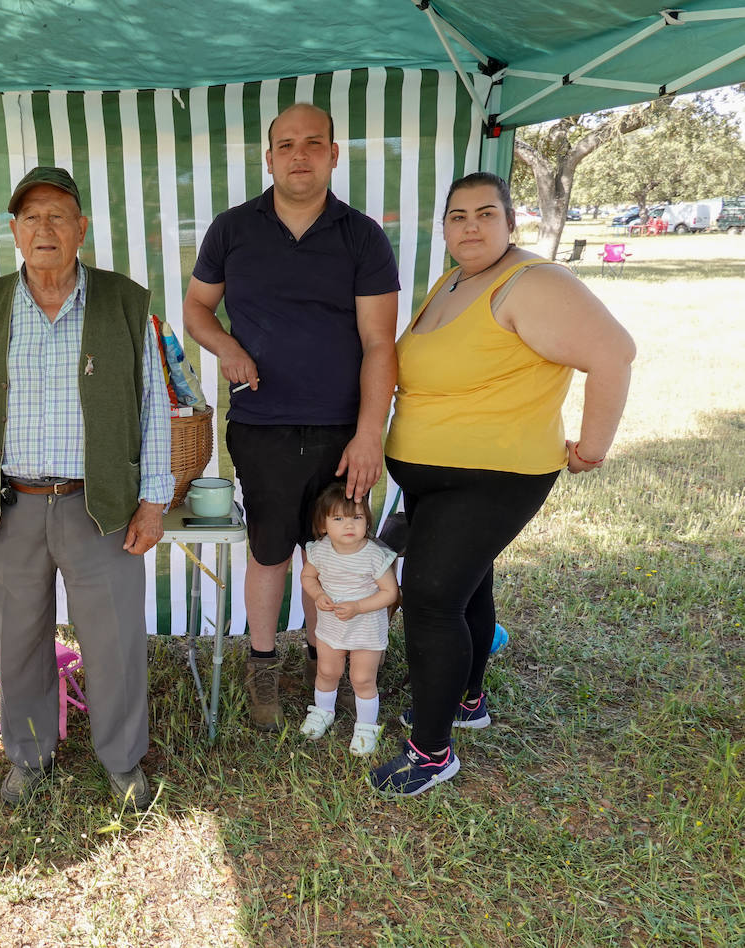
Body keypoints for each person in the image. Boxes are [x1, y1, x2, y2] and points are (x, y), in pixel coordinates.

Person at [370, 171, 635, 797]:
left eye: (486, 214)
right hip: (436, 479)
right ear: (444, 229)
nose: (470, 227)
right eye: (458, 216)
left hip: (494, 476)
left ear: (511, 222)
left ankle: (432, 753)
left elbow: (614, 352)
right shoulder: (458, 278)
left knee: (431, 600)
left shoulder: (532, 281)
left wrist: (592, 448)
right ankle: (466, 700)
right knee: (466, 585)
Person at [0, 167, 173, 810]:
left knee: (116, 639)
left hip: (100, 506)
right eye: (31, 217)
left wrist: (154, 500)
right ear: (13, 231)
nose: (45, 228)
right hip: (12, 506)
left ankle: (122, 761)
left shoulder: (124, 302)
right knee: (19, 641)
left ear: (81, 229)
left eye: (58, 215)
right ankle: (29, 755)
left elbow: (154, 406)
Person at [182, 102, 400, 732]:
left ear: (334, 154)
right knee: (271, 549)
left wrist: (368, 434)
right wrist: (227, 348)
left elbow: (380, 343)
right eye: (285, 144)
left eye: (313, 143)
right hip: (261, 424)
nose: (298, 155)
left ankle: (325, 664)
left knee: (336, 547)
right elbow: (197, 308)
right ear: (268, 156)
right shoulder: (231, 229)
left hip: (342, 428)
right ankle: (263, 672)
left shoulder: (362, 235)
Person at [296, 483, 398, 756]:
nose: (348, 525)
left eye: (357, 517)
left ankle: (366, 726)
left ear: (367, 520)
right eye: (338, 519)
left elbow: (390, 593)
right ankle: (322, 712)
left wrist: (359, 606)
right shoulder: (320, 550)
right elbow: (308, 576)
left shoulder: (375, 556)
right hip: (331, 626)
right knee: (327, 671)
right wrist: (317, 595)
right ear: (323, 524)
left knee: (362, 678)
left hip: (365, 629)